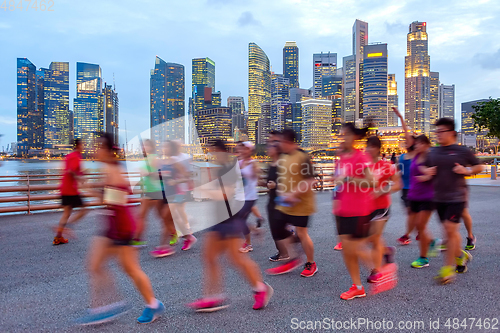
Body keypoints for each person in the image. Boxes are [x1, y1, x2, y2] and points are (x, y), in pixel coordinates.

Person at [76, 133, 164, 325]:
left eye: (98, 146)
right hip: (111, 224)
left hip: (121, 227)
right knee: (95, 265)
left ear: (107, 150)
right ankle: (104, 306)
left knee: (130, 269)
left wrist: (90, 189)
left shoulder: (112, 170)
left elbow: (117, 199)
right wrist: (93, 187)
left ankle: (150, 304)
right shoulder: (109, 168)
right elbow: (111, 194)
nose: (94, 150)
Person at [188, 140, 273, 312]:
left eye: (212, 152)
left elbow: (225, 194)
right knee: (211, 257)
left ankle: (259, 289)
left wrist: (199, 190)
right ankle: (213, 296)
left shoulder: (228, 167)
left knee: (235, 258)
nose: (210, 156)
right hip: (220, 217)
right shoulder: (224, 167)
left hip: (230, 218)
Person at [423, 118, 483, 284]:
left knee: (449, 231)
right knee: (450, 234)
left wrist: (466, 170)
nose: (438, 135)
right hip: (439, 198)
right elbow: (425, 167)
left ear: (452, 133)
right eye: (436, 132)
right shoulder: (433, 152)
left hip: (457, 197)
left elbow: (479, 167)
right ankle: (460, 256)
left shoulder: (461, 151)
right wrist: (428, 172)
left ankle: (447, 270)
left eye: (441, 131)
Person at [266, 129, 318, 278]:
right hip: (285, 203)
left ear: (288, 142)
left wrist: (293, 193)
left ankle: (311, 263)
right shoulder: (283, 157)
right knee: (278, 227)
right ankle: (294, 257)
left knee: (302, 234)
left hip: (302, 204)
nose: (279, 145)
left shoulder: (302, 157)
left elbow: (311, 180)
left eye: (280, 142)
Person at [333, 123, 375, 300]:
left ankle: (380, 268)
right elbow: (339, 182)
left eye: (347, 134)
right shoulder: (342, 157)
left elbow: (370, 182)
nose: (344, 137)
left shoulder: (362, 157)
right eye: (342, 134)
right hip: (343, 209)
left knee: (354, 248)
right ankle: (357, 286)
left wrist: (349, 178)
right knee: (348, 250)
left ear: (355, 137)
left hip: (358, 209)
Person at [364, 136, 401, 283]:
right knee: (368, 238)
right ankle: (386, 250)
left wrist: (383, 190)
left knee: (374, 237)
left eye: (372, 147)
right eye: (367, 146)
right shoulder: (363, 166)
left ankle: (376, 271)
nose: (368, 149)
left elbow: (397, 184)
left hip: (382, 206)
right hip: (365, 207)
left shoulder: (386, 166)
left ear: (378, 149)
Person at [407, 135, 440, 269]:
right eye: (416, 143)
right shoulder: (416, 155)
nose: (417, 145)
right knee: (417, 227)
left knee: (420, 225)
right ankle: (433, 241)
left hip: (428, 196)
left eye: (420, 143)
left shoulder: (431, 157)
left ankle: (423, 258)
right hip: (414, 195)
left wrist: (426, 175)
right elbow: (408, 139)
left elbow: (436, 173)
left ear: (427, 144)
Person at [150, 141, 187, 258]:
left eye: (166, 146)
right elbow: (157, 175)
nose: (164, 148)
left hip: (174, 194)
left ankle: (164, 247)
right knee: (163, 218)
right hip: (162, 194)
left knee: (166, 218)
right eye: (163, 146)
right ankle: (186, 236)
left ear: (171, 149)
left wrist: (175, 181)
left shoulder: (176, 162)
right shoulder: (161, 162)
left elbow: (187, 176)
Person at [53, 139, 88, 245]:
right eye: (83, 145)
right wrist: (79, 178)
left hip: (64, 188)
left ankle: (58, 237)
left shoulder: (70, 156)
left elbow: (69, 169)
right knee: (84, 209)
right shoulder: (76, 156)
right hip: (71, 190)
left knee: (67, 213)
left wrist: (82, 173)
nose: (84, 147)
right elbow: (71, 171)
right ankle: (68, 227)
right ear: (78, 146)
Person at [393, 107, 418, 245]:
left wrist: (401, 117)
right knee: (411, 214)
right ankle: (417, 232)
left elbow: (406, 133)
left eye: (407, 140)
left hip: (415, 189)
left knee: (411, 213)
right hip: (405, 189)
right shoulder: (402, 156)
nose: (405, 140)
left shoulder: (416, 155)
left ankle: (407, 235)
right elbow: (397, 170)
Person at [133, 139, 163, 247]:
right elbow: (144, 177)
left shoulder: (154, 158)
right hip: (148, 191)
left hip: (156, 191)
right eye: (143, 145)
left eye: (146, 145)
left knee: (162, 216)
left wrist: (147, 173)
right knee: (141, 215)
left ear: (151, 146)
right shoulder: (146, 158)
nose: (143, 147)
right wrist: (137, 185)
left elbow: (159, 174)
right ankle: (137, 238)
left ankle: (176, 232)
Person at [169, 141, 197, 251]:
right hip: (177, 188)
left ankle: (186, 231)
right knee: (178, 211)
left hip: (181, 188)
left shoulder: (182, 158)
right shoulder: (177, 157)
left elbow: (188, 173)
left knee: (177, 211)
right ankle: (186, 228)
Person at [237, 141, 261, 253]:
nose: (241, 151)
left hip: (250, 197)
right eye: (240, 149)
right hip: (241, 196)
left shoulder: (253, 163)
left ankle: (248, 244)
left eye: (244, 149)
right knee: (239, 220)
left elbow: (258, 178)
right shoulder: (240, 162)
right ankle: (254, 230)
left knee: (240, 220)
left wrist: (257, 175)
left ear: (250, 150)